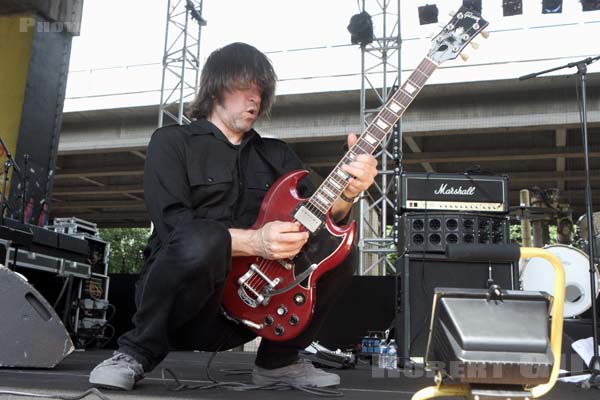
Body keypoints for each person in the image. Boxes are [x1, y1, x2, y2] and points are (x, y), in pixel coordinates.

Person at [89, 42, 377, 391]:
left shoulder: (278, 155)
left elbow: (315, 226)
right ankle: (136, 353)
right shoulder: (172, 142)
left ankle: (278, 361)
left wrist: (348, 194)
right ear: (215, 88)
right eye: (244, 88)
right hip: (186, 305)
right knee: (203, 236)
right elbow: (173, 226)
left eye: (259, 91)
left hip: (257, 302)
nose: (253, 99)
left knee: (341, 253)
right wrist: (256, 241)